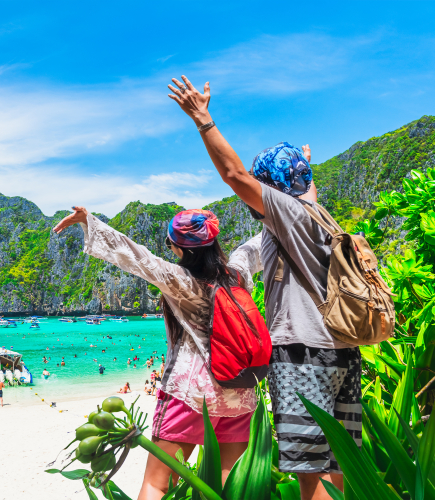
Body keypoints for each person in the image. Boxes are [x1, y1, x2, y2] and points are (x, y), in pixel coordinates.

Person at [169, 75, 356, 500]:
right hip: (341, 352)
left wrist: (202, 119)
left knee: (311, 474)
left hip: (302, 355)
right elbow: (301, 182)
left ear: (271, 188)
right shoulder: (318, 214)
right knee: (336, 465)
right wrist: (302, 160)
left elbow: (234, 174)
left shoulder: (288, 215)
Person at [54, 205, 263, 500]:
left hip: (192, 393)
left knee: (158, 484)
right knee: (232, 488)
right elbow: (254, 247)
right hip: (238, 391)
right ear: (214, 241)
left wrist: (89, 221)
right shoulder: (237, 275)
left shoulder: (181, 281)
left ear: (177, 247)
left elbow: (137, 257)